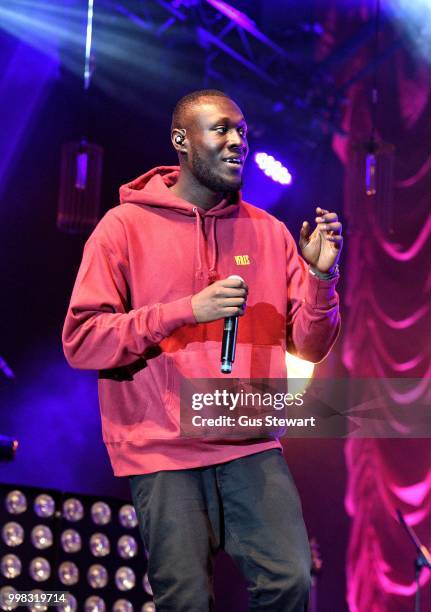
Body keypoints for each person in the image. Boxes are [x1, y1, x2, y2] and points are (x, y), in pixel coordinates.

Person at [62, 89, 342, 611]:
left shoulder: (271, 233)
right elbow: (81, 341)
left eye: (243, 130)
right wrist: (184, 309)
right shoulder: (122, 228)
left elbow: (311, 345)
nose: (238, 141)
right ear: (181, 141)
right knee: (185, 601)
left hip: (251, 443)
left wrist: (321, 278)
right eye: (221, 129)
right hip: (161, 449)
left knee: (292, 581)